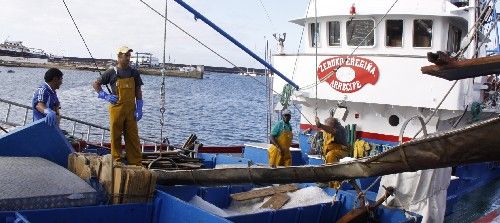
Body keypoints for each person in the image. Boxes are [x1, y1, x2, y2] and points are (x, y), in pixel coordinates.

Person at [93, 46, 144, 166]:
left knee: (132, 136)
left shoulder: (134, 72)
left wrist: (140, 107)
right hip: (116, 108)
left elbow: (138, 90)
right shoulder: (111, 72)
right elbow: (96, 84)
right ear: (119, 57)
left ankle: (135, 162)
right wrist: (105, 95)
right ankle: (116, 161)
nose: (128, 58)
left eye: (129, 55)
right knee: (115, 135)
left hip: (131, 109)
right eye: (125, 55)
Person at [315, 116, 349, 188]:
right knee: (328, 157)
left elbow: (332, 130)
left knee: (331, 155)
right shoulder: (327, 130)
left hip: (343, 151)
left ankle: (333, 184)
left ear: (333, 125)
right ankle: (326, 179)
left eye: (327, 127)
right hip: (331, 151)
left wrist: (320, 125)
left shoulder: (340, 129)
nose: (326, 129)